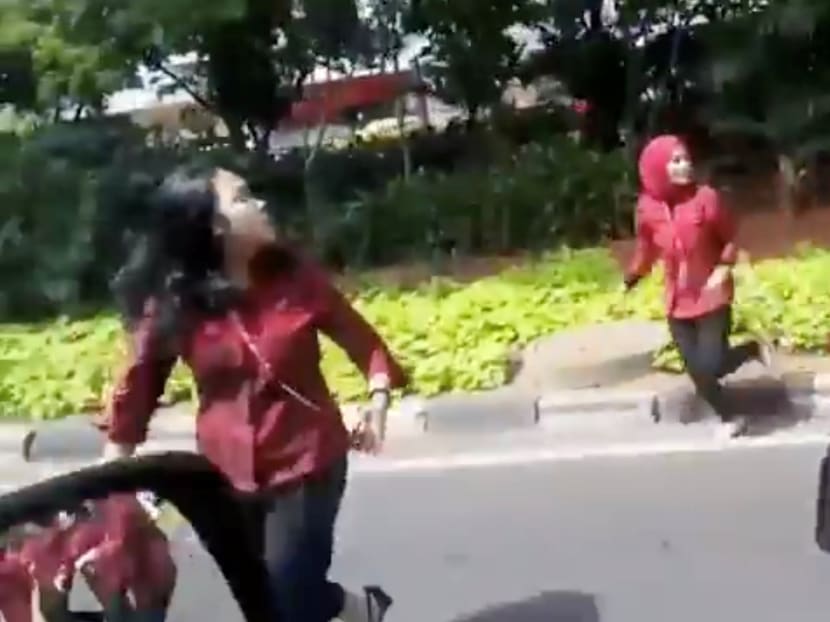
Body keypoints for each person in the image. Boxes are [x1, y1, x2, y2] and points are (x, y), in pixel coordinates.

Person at [98, 165, 407, 622]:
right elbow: (137, 391)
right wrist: (108, 485)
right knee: (265, 597)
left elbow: (363, 341)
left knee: (288, 592)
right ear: (214, 226)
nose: (260, 203)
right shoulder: (176, 303)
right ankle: (360, 610)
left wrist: (377, 400)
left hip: (308, 459)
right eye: (243, 197)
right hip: (224, 475)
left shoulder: (296, 278)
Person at [623, 134, 770, 438]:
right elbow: (647, 247)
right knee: (699, 373)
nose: (684, 166)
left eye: (686, 159)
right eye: (676, 161)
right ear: (657, 167)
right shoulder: (648, 208)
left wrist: (723, 268)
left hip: (712, 295)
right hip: (678, 302)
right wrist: (634, 275)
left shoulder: (706, 198)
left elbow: (731, 237)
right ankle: (730, 418)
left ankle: (751, 348)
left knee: (711, 365)